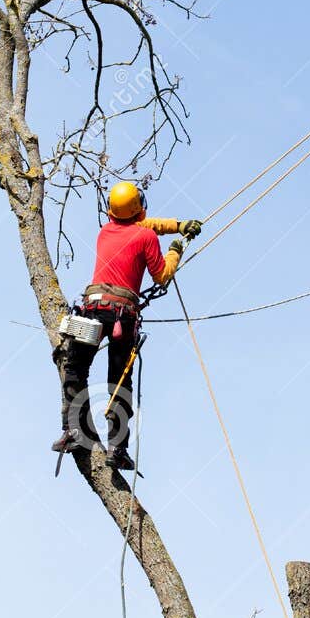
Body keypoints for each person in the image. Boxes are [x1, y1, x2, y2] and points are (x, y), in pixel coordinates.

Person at [52, 182, 202, 469]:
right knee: (119, 382)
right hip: (123, 315)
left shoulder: (105, 231)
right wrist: (175, 250)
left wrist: (178, 224)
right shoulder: (146, 237)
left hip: (92, 307)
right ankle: (117, 449)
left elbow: (143, 226)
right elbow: (161, 275)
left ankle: (72, 430)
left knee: (75, 369)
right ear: (139, 209)